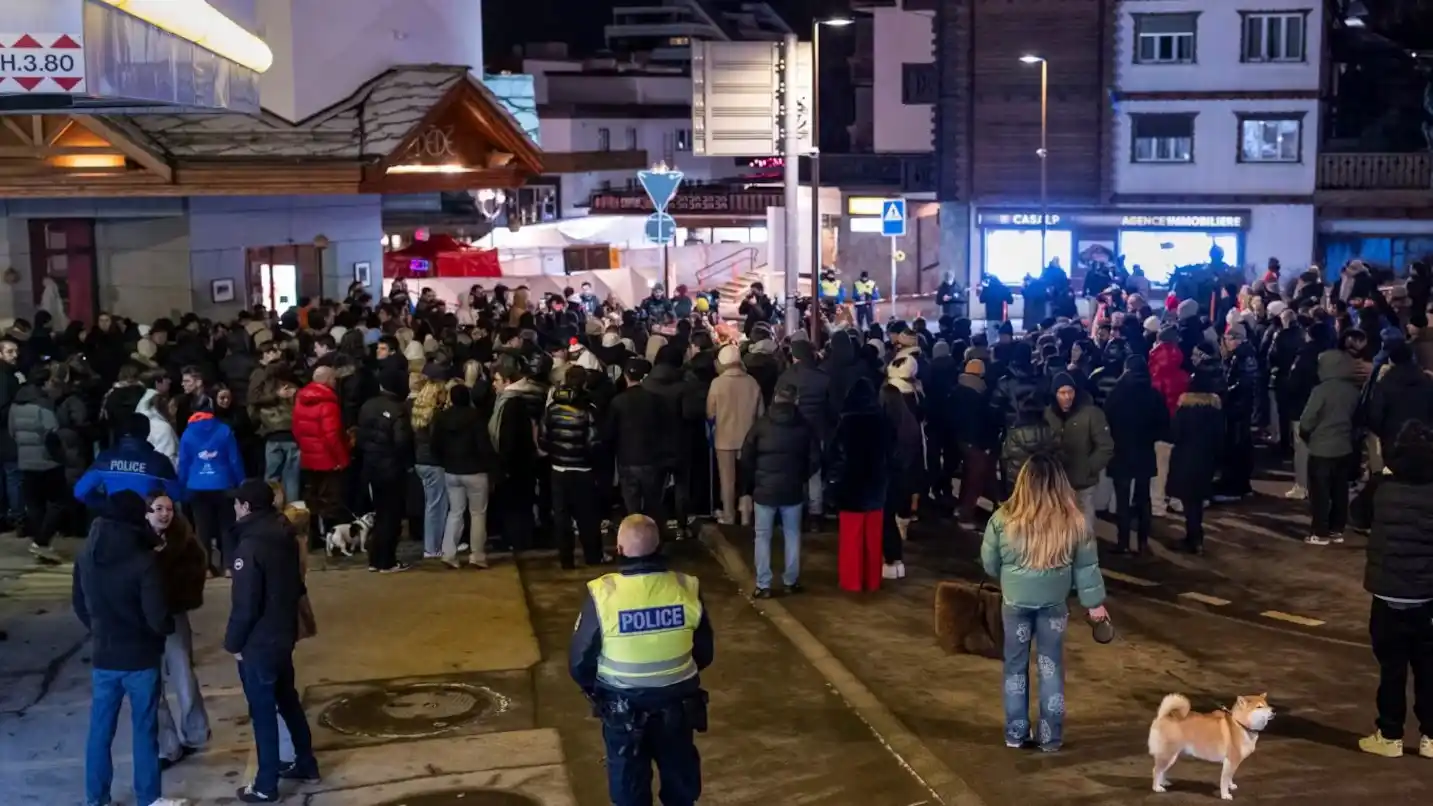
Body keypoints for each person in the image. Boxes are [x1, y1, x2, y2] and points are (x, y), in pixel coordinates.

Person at [569, 514, 713, 806]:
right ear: (659, 546)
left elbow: (580, 661)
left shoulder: (603, 594)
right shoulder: (686, 587)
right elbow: (705, 652)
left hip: (623, 709)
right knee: (681, 786)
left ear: (619, 549)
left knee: (628, 790)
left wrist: (596, 690)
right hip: (677, 706)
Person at [981, 453, 1108, 752]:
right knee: (1051, 667)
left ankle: (1015, 733)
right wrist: (1095, 604)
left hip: (1014, 603)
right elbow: (1086, 569)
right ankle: (1050, 737)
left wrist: (1011, 576)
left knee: (1015, 667)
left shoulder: (1003, 518)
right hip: (1053, 605)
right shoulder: (1075, 521)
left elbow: (989, 562)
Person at [74, 490, 188, 806]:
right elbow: (157, 617)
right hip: (140, 657)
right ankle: (149, 798)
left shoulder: (87, 555)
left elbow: (79, 604)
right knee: (144, 730)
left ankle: (96, 799)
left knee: (100, 732)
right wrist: (162, 630)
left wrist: (99, 629)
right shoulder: (144, 560)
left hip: (104, 656)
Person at [225, 479, 320, 803]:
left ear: (247, 507)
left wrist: (233, 643)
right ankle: (306, 762)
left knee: (263, 711)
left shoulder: (250, 546)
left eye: (237, 503)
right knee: (288, 700)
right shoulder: (285, 536)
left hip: (259, 641)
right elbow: (295, 585)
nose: (234, 508)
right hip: (282, 634)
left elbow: (246, 603)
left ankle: (265, 786)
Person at [1360, 420, 1433, 759]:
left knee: (1391, 669)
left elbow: (1356, 516)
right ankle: (1431, 737)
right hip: (1427, 595)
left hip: (1388, 592)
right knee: (1428, 668)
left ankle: (1389, 735)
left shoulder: (1381, 487)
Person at [147, 492, 210, 769]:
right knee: (152, 685)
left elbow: (197, 567)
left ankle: (195, 733)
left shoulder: (183, 539)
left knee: (183, 673)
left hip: (173, 616)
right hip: (145, 622)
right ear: (146, 512)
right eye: (158, 509)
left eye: (169, 509)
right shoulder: (135, 541)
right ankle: (167, 746)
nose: (164, 514)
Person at [739, 382, 819, 598]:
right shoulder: (805, 426)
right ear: (796, 400)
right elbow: (815, 458)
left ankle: (763, 584)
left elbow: (746, 457)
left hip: (764, 490)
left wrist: (751, 483)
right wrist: (800, 477)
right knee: (792, 535)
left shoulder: (761, 425)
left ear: (775, 398)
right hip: (792, 490)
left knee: (762, 536)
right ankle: (790, 581)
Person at [826, 379, 891, 592]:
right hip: (875, 489)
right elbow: (892, 455)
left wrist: (834, 483)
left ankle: (852, 581)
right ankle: (872, 580)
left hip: (851, 489)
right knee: (873, 539)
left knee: (851, 539)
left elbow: (836, 457)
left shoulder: (846, 423)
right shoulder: (882, 422)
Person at [541, 365, 606, 569]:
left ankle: (566, 561)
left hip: (558, 469)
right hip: (583, 471)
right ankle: (593, 557)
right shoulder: (588, 409)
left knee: (562, 517)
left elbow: (543, 438)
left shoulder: (552, 408)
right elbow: (594, 442)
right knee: (587, 516)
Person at [1103, 355, 1168, 555]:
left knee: (1122, 500)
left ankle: (1123, 543)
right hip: (1144, 452)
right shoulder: (1153, 394)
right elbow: (1164, 426)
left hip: (1120, 452)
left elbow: (1107, 422)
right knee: (1143, 499)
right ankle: (1142, 542)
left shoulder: (1116, 394)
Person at [433, 383, 498, 569]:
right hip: (475, 471)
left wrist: (444, 462)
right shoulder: (476, 417)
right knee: (477, 514)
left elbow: (435, 445)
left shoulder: (442, 418)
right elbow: (483, 446)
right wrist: (493, 467)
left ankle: (449, 553)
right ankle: (477, 555)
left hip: (452, 471)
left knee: (455, 512)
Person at [1299, 349, 1361, 546]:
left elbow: (1307, 420)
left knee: (1320, 493)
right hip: (1344, 447)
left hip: (1321, 448)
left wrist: (1307, 435)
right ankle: (1337, 529)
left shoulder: (1321, 390)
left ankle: (1320, 531)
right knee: (1340, 491)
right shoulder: (1353, 391)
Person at [177, 404, 246, 574]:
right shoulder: (224, 430)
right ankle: (229, 566)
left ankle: (205, 568)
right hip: (223, 484)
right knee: (227, 526)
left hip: (197, 485)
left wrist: (181, 487)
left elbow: (184, 463)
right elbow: (234, 460)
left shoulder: (188, 433)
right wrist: (241, 482)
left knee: (202, 528)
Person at [357, 367, 414, 571]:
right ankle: (386, 560)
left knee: (380, 514)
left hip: (371, 467)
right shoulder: (398, 409)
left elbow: (361, 437)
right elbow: (402, 441)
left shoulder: (367, 406)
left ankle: (374, 559)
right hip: (392, 470)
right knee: (392, 516)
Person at [1044, 372, 1114, 535]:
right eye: (1062, 393)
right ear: (1055, 394)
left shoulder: (1091, 414)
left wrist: (1089, 467)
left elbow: (1105, 446)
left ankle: (1085, 554)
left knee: (1084, 525)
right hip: (1057, 482)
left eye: (1070, 392)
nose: (1067, 396)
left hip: (1083, 482)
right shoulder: (1048, 415)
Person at [74, 413, 185, 509]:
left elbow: (80, 491)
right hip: (147, 523)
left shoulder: (105, 458)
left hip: (114, 521)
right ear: (147, 432)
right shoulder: (159, 462)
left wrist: (107, 505)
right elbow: (177, 494)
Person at [1166, 372, 1224, 554]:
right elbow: (1221, 438)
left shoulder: (1185, 410)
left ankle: (1193, 538)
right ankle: (1196, 537)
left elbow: (1174, 434)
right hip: (1206, 461)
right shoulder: (1215, 411)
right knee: (1197, 501)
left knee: (1189, 501)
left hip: (1185, 460)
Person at [708, 345, 764, 526]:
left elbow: (710, 413)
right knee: (747, 479)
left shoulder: (717, 383)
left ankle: (729, 515)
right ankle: (747, 515)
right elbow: (761, 413)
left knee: (727, 480)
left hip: (724, 439)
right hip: (748, 439)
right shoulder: (752, 382)